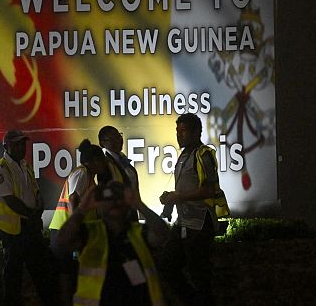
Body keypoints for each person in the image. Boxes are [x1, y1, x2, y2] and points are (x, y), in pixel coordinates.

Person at [55, 182, 168, 306]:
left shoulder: (140, 232)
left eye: (119, 198)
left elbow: (162, 234)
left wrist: (139, 205)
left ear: (128, 205)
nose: (115, 203)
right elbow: (62, 242)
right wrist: (82, 209)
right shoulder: (89, 232)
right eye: (108, 199)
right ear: (99, 204)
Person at [158, 113, 227, 306]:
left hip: (200, 223)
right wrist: (171, 198)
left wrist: (178, 197)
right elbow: (186, 188)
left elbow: (209, 190)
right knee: (166, 265)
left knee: (200, 276)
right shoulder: (184, 155)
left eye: (184, 131)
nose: (179, 135)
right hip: (184, 221)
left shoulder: (203, 154)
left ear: (197, 132)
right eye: (177, 131)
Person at [0, 129, 55, 306]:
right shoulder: (0, 169)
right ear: (6, 146)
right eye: (17, 144)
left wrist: (38, 211)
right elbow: (9, 199)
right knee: (13, 276)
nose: (22, 147)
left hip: (30, 226)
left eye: (23, 144)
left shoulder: (25, 166)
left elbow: (36, 192)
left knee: (41, 270)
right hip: (13, 230)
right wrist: (31, 215)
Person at [48, 139, 114, 305]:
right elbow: (73, 199)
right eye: (102, 161)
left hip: (69, 230)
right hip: (66, 231)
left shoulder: (88, 175)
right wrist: (75, 229)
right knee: (67, 273)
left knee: (71, 272)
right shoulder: (82, 173)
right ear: (93, 161)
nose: (105, 165)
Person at [98, 126, 139, 190]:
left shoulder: (123, 159)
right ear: (102, 143)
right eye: (112, 139)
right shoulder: (105, 164)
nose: (118, 140)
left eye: (118, 136)